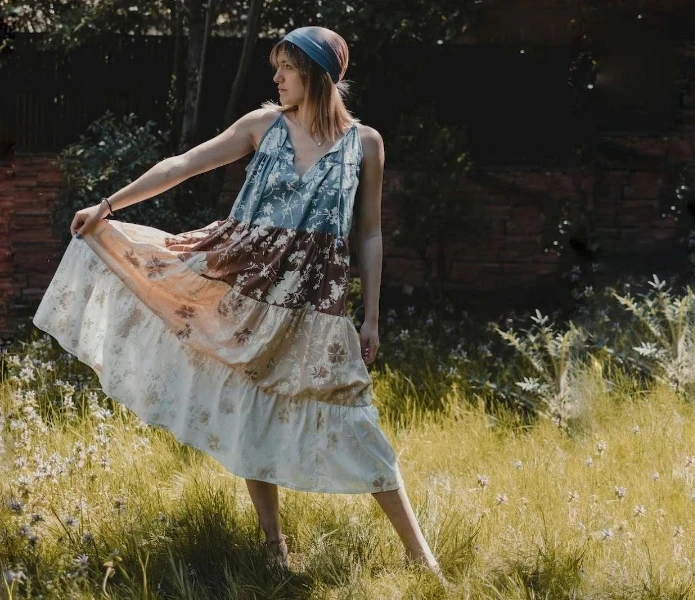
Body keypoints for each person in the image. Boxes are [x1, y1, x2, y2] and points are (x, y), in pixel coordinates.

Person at [32, 25, 447, 585]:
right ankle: (274, 549)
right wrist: (107, 205)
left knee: (355, 416)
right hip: (240, 286)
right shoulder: (263, 126)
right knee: (251, 405)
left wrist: (371, 315)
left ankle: (422, 562)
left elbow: (368, 234)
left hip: (314, 303)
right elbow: (183, 164)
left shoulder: (364, 143)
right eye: (275, 67)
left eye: (286, 67)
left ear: (317, 74)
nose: (275, 77)